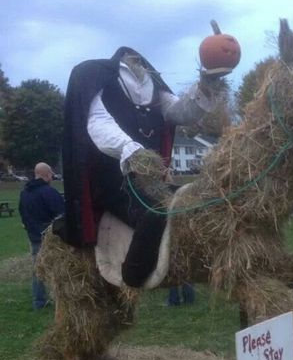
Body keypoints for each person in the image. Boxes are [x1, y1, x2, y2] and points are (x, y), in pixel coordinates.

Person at [58, 46, 225, 288]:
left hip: (153, 181)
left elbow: (181, 113)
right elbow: (97, 123)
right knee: (155, 211)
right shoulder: (97, 75)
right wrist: (131, 150)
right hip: (115, 182)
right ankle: (133, 275)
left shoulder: (153, 84)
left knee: (191, 202)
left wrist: (207, 83)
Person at [19, 162, 65, 309]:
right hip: (51, 238)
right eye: (51, 174)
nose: (52, 177)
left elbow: (22, 213)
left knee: (38, 269)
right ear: (46, 174)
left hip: (34, 237)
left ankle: (39, 301)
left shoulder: (25, 192)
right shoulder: (48, 192)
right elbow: (62, 214)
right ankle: (62, 300)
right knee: (59, 269)